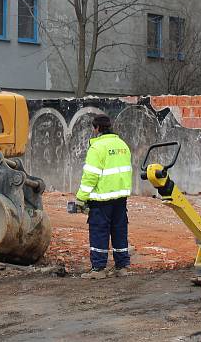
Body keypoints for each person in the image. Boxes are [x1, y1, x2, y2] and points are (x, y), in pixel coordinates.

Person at [75, 114, 133, 279]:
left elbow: (91, 176)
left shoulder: (97, 148)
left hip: (102, 200)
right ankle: (122, 266)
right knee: (119, 230)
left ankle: (99, 269)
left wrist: (81, 198)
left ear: (97, 128)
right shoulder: (122, 145)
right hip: (120, 198)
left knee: (99, 231)